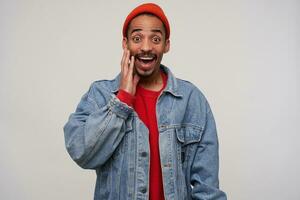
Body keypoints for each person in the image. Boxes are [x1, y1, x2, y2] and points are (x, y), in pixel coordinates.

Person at [64, 3, 227, 200]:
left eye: (156, 39)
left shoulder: (192, 100)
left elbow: (207, 189)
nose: (146, 47)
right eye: (137, 38)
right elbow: (82, 153)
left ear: (167, 44)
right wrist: (122, 100)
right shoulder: (100, 94)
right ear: (125, 43)